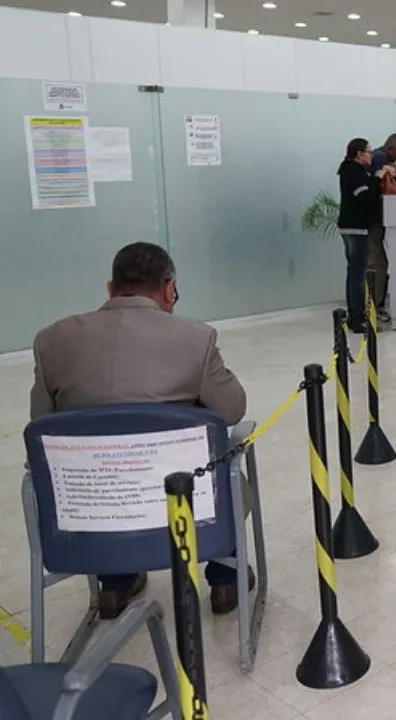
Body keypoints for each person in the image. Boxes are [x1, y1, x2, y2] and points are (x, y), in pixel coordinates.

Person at [30, 242, 251, 619]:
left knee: (99, 465)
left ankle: (115, 585)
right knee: (219, 466)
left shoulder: (51, 340)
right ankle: (224, 581)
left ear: (109, 289)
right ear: (170, 288)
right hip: (183, 501)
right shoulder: (196, 338)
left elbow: (41, 421)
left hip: (92, 507)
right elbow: (232, 409)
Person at [337, 138, 391, 333]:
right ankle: (357, 318)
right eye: (369, 152)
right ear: (359, 154)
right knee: (358, 275)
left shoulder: (354, 170)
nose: (371, 155)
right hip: (355, 228)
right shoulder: (353, 171)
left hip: (353, 227)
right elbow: (365, 198)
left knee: (355, 273)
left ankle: (357, 315)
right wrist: (377, 178)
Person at [369, 133, 396, 323]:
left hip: (377, 221)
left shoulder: (382, 159)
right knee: (378, 265)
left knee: (379, 264)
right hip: (374, 222)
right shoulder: (380, 159)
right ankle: (373, 308)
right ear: (390, 148)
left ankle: (375, 305)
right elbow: (395, 187)